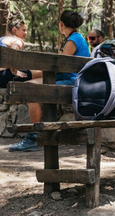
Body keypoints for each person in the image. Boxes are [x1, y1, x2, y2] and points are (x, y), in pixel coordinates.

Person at [8, 11, 90, 152]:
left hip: (71, 82)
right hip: (67, 78)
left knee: (31, 91)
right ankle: (34, 135)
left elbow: (61, 67)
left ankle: (34, 137)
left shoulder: (72, 41)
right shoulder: (75, 38)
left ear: (61, 24)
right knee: (29, 83)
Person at [0, 19, 42, 88]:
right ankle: (22, 91)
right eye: (23, 30)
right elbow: (14, 50)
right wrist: (14, 70)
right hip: (3, 76)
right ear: (14, 30)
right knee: (44, 74)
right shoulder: (17, 40)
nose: (26, 33)